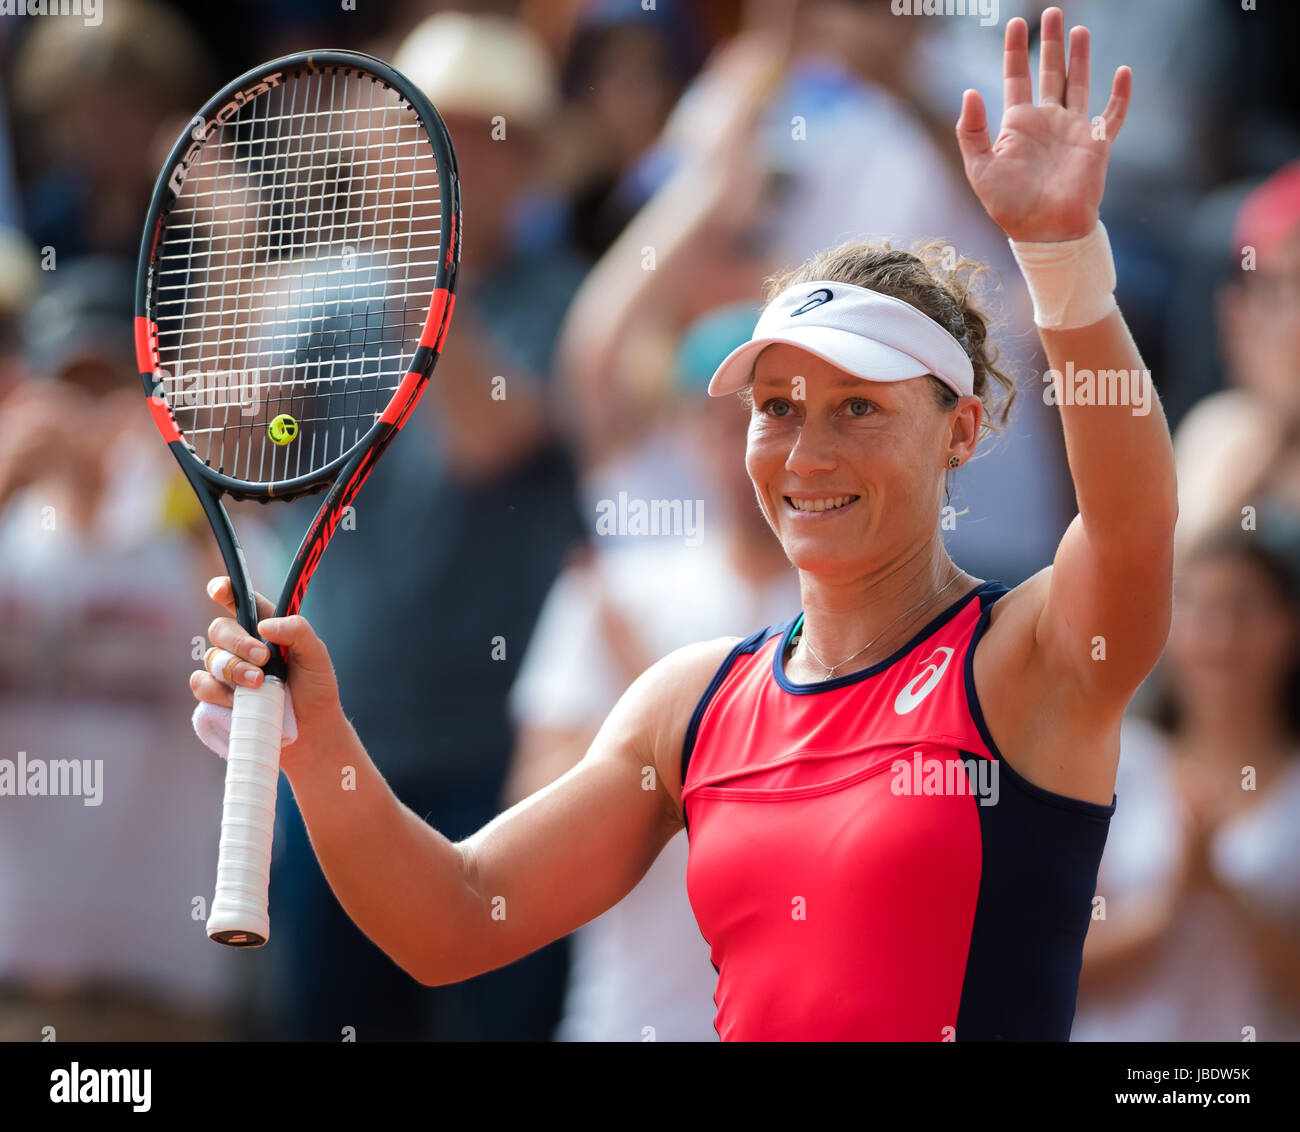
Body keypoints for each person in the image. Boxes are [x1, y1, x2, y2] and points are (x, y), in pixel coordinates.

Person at [190, 11, 1176, 1039]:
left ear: (959, 431)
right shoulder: (690, 702)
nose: (806, 451)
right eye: (777, 407)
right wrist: (318, 741)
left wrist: (1063, 261)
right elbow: (454, 915)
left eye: (859, 408)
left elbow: (1135, 526)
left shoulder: (1026, 660)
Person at [505, 303, 799, 1041]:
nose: (747, 450)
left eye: (775, 417)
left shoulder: (873, 608)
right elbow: (532, 818)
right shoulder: (611, 592)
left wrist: (650, 694)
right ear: (682, 431)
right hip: (629, 1019)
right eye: (727, 421)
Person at [1074, 521, 1300, 1040]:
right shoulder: (1115, 759)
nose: (1220, 638)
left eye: (1245, 610)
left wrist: (1222, 889)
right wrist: (1172, 901)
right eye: (1196, 610)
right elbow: (1059, 966)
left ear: (1289, 626)